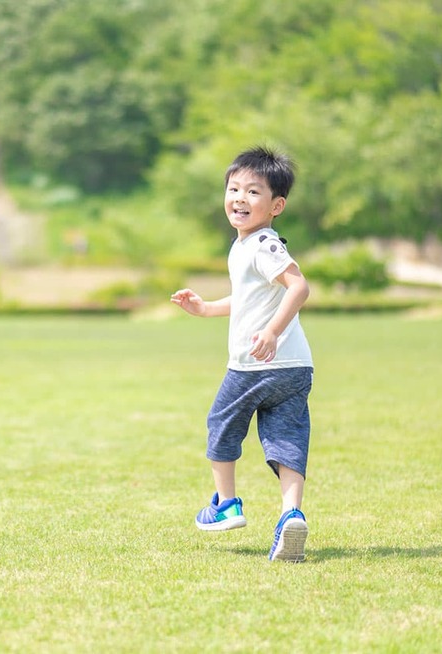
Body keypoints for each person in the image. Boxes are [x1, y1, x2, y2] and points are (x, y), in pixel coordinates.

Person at [171, 146, 314, 562]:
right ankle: (291, 516)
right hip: (295, 367)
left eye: (253, 192)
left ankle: (226, 504)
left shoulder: (263, 244)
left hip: (256, 364)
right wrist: (206, 308)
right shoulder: (247, 245)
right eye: (234, 189)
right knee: (286, 438)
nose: (240, 198)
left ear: (276, 205)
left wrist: (271, 331)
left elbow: (299, 287)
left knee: (221, 421)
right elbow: (251, 298)